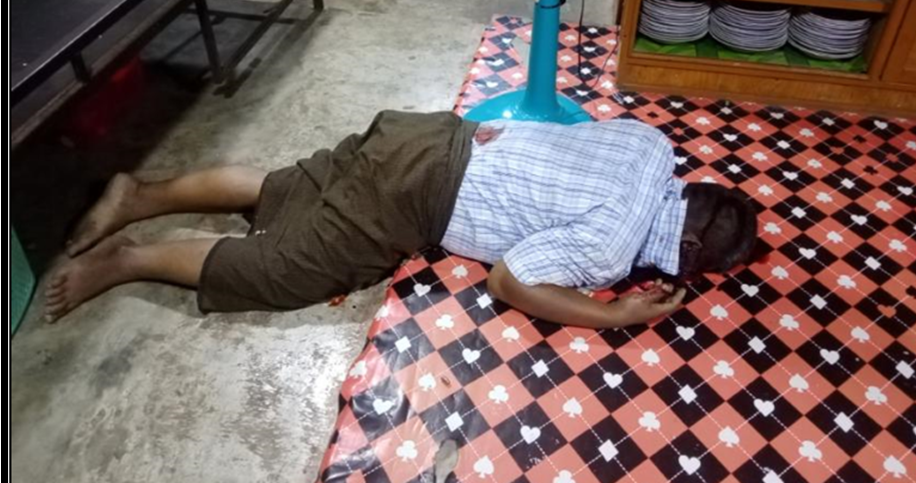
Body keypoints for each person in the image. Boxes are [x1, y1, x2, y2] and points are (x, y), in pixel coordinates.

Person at [46, 111, 758, 329]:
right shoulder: (612, 247)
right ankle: (129, 259)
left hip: (434, 133)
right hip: (417, 195)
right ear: (688, 246)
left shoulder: (653, 146)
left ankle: (139, 195)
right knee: (284, 269)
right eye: (695, 266)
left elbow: (565, 139)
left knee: (286, 187)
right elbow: (510, 282)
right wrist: (612, 315)